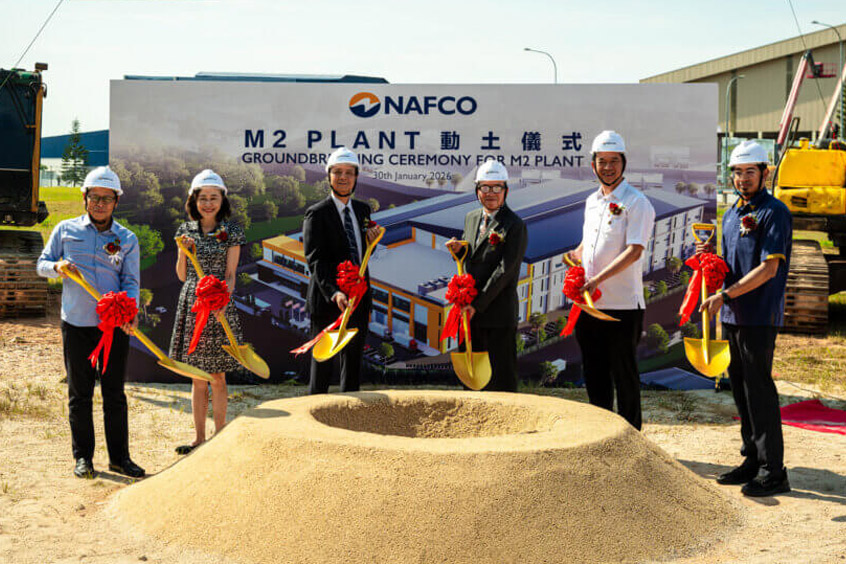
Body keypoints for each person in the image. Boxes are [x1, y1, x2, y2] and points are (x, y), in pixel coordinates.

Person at [36, 166, 145, 479]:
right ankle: (83, 458)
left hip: (113, 328)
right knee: (79, 395)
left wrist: (131, 309)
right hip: (77, 326)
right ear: (85, 198)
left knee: (114, 394)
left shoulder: (127, 238)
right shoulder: (65, 230)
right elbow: (41, 264)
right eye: (94, 197)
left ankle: (120, 459)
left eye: (107, 199)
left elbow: (131, 280)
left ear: (116, 202)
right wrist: (57, 266)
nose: (100, 203)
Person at [699, 140, 792, 497]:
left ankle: (774, 470)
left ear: (765, 173)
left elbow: (769, 269)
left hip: (758, 315)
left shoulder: (774, 213)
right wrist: (710, 259)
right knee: (739, 388)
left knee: (759, 390)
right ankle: (751, 459)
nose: (742, 178)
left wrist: (725, 294)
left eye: (749, 172)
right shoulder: (732, 214)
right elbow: (730, 266)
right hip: (733, 314)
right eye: (736, 172)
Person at [567, 131, 655, 430]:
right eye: (601, 161)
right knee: (594, 373)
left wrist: (597, 279)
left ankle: (631, 439)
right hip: (589, 305)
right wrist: (574, 256)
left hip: (622, 307)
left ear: (624, 163)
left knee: (624, 375)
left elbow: (634, 251)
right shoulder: (591, 201)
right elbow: (588, 244)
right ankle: (600, 434)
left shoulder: (637, 202)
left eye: (614, 161)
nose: (608, 167)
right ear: (593, 165)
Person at [169, 169, 245, 455]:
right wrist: (183, 253)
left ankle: (220, 435)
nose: (208, 203)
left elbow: (230, 274)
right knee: (197, 377)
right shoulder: (184, 231)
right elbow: (180, 275)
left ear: (222, 200)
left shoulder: (232, 232)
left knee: (218, 376)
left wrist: (222, 302)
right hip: (192, 304)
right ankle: (199, 439)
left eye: (214, 198)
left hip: (219, 306)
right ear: (194, 200)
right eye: (203, 198)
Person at [445, 160, 528, 392]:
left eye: (496, 187)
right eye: (485, 187)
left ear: (506, 191)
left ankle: (506, 427)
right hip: (469, 315)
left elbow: (505, 270)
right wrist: (459, 252)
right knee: (472, 384)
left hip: (497, 315)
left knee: (500, 381)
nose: (490, 193)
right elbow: (472, 258)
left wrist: (477, 304)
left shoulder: (515, 225)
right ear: (477, 190)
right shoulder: (471, 218)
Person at [303, 147, 380, 394]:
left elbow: (360, 255)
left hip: (358, 300)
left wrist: (371, 243)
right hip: (329, 302)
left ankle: (350, 418)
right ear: (329, 176)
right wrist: (335, 292)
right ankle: (316, 419)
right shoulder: (316, 214)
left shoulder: (362, 210)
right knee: (322, 366)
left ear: (356, 176)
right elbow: (316, 260)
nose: (343, 177)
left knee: (353, 366)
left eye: (349, 172)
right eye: (337, 172)